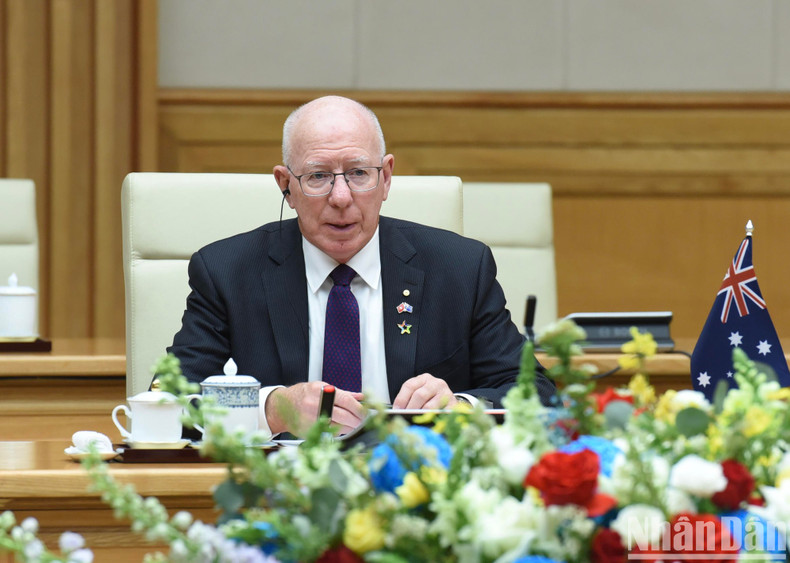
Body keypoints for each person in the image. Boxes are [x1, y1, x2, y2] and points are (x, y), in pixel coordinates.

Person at [168, 95, 555, 436]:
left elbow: (534, 391)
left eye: (358, 174)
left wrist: (461, 407)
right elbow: (173, 396)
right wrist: (271, 409)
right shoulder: (227, 272)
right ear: (286, 185)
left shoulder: (459, 269)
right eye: (318, 176)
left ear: (386, 178)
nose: (341, 197)